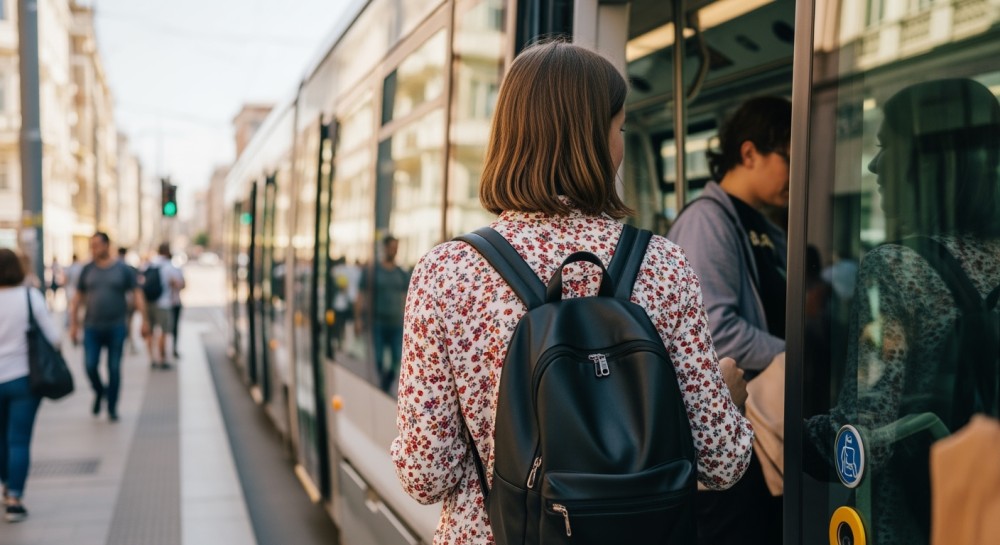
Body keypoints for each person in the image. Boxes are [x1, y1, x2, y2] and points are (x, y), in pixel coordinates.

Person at [390, 41, 753, 545]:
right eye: (620, 129)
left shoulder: (446, 273)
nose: (622, 145)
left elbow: (426, 475)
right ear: (595, 140)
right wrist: (726, 399)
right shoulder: (663, 265)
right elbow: (723, 463)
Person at [806, 78, 1000, 545]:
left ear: (925, 161)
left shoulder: (894, 267)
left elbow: (865, 437)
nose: (874, 165)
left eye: (885, 147)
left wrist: (776, 428)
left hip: (911, 521)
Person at [667, 96, 791, 545]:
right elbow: (716, 332)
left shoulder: (765, 226)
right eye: (789, 158)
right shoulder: (709, 222)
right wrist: (795, 356)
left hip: (762, 421)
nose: (796, 173)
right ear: (750, 153)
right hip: (732, 429)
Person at [0, 248, 59, 522]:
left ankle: (6, 481)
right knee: (19, 440)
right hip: (24, 380)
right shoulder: (29, 297)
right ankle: (15, 499)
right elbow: (54, 337)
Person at [68, 233, 149, 421]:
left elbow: (137, 294)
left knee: (114, 368)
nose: (94, 249)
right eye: (92, 245)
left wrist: (144, 320)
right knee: (90, 366)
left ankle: (112, 406)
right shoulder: (87, 270)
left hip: (116, 326)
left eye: (97, 245)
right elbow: (77, 299)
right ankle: (100, 391)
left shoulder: (123, 269)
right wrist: (73, 325)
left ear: (107, 245)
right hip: (92, 327)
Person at [358, 235, 410, 392]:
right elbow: (362, 295)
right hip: (378, 322)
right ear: (385, 248)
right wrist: (358, 318)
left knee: (397, 358)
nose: (394, 251)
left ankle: (386, 383)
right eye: (391, 247)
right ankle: (382, 380)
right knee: (379, 358)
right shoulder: (373, 271)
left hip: (396, 323)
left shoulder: (401, 273)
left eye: (396, 248)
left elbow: (406, 298)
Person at [144, 243, 184, 369]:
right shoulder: (170, 266)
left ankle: (152, 359)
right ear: (167, 252)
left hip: (148, 302)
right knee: (163, 331)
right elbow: (179, 284)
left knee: (151, 332)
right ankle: (162, 359)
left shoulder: (149, 265)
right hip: (164, 303)